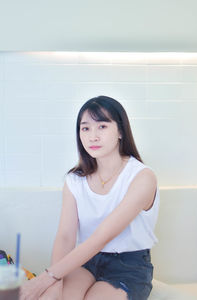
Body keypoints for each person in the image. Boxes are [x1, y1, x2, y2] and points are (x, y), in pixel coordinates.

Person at [20, 95, 159, 300]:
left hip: (129, 266)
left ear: (120, 131)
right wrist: (55, 282)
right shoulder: (74, 180)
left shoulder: (142, 177)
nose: (92, 136)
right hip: (85, 261)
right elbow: (66, 236)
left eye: (102, 126)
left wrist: (45, 278)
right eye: (85, 128)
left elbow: (100, 238)